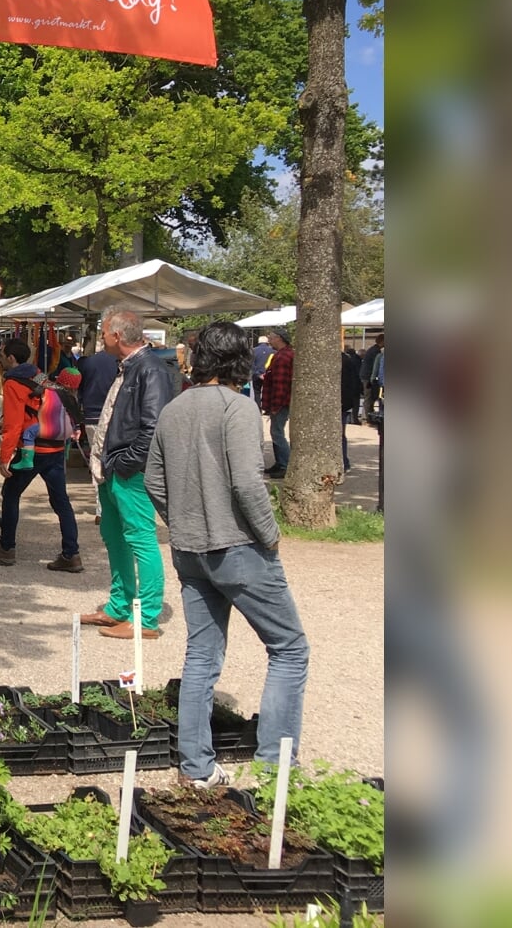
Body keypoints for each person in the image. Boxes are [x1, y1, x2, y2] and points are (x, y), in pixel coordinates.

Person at [146, 320, 308, 788]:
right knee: (289, 648)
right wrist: (270, 534)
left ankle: (196, 768)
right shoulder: (238, 408)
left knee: (201, 655)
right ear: (240, 360)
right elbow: (247, 482)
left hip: (190, 550)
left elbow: (155, 481)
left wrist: (181, 522)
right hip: (237, 548)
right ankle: (276, 769)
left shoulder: (174, 409)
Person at [84, 309, 179, 640]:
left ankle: (147, 618)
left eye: (104, 333)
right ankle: (119, 606)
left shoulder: (150, 369)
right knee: (114, 536)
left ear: (117, 336)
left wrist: (126, 462)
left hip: (130, 472)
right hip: (115, 468)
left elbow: (153, 427)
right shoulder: (132, 367)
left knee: (140, 538)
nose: (102, 338)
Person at [0, 339, 80, 569]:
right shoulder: (38, 375)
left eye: (3, 355)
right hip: (54, 448)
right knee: (61, 501)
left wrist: (5, 457)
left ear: (12, 359)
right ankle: (71, 554)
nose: (1, 359)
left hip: (31, 449)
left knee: (11, 492)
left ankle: (6, 548)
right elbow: (36, 406)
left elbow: (15, 424)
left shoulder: (13, 383)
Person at [260, 330, 295, 477]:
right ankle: (280, 462)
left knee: (277, 432)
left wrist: (275, 406)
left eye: (272, 338)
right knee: (276, 432)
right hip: (282, 401)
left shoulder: (282, 357)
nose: (269, 341)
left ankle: (285, 464)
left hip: (280, 402)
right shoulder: (284, 354)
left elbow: (280, 384)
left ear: (279, 339)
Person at [340, 342, 364, 471]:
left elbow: (350, 383)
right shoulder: (347, 360)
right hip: (344, 403)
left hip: (341, 403)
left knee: (339, 435)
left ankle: (344, 462)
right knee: (340, 434)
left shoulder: (344, 362)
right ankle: (344, 462)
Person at [359, 333, 384, 423]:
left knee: (369, 397)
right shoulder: (376, 352)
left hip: (366, 376)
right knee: (369, 398)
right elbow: (376, 367)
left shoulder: (373, 350)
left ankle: (368, 416)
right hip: (368, 377)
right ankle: (368, 417)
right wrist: (373, 379)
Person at [250, 335, 276, 407]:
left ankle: (258, 408)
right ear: (267, 342)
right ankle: (267, 408)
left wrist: (258, 374)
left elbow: (251, 364)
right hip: (269, 375)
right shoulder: (273, 351)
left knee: (257, 392)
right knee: (269, 392)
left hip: (256, 375)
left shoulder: (253, 351)